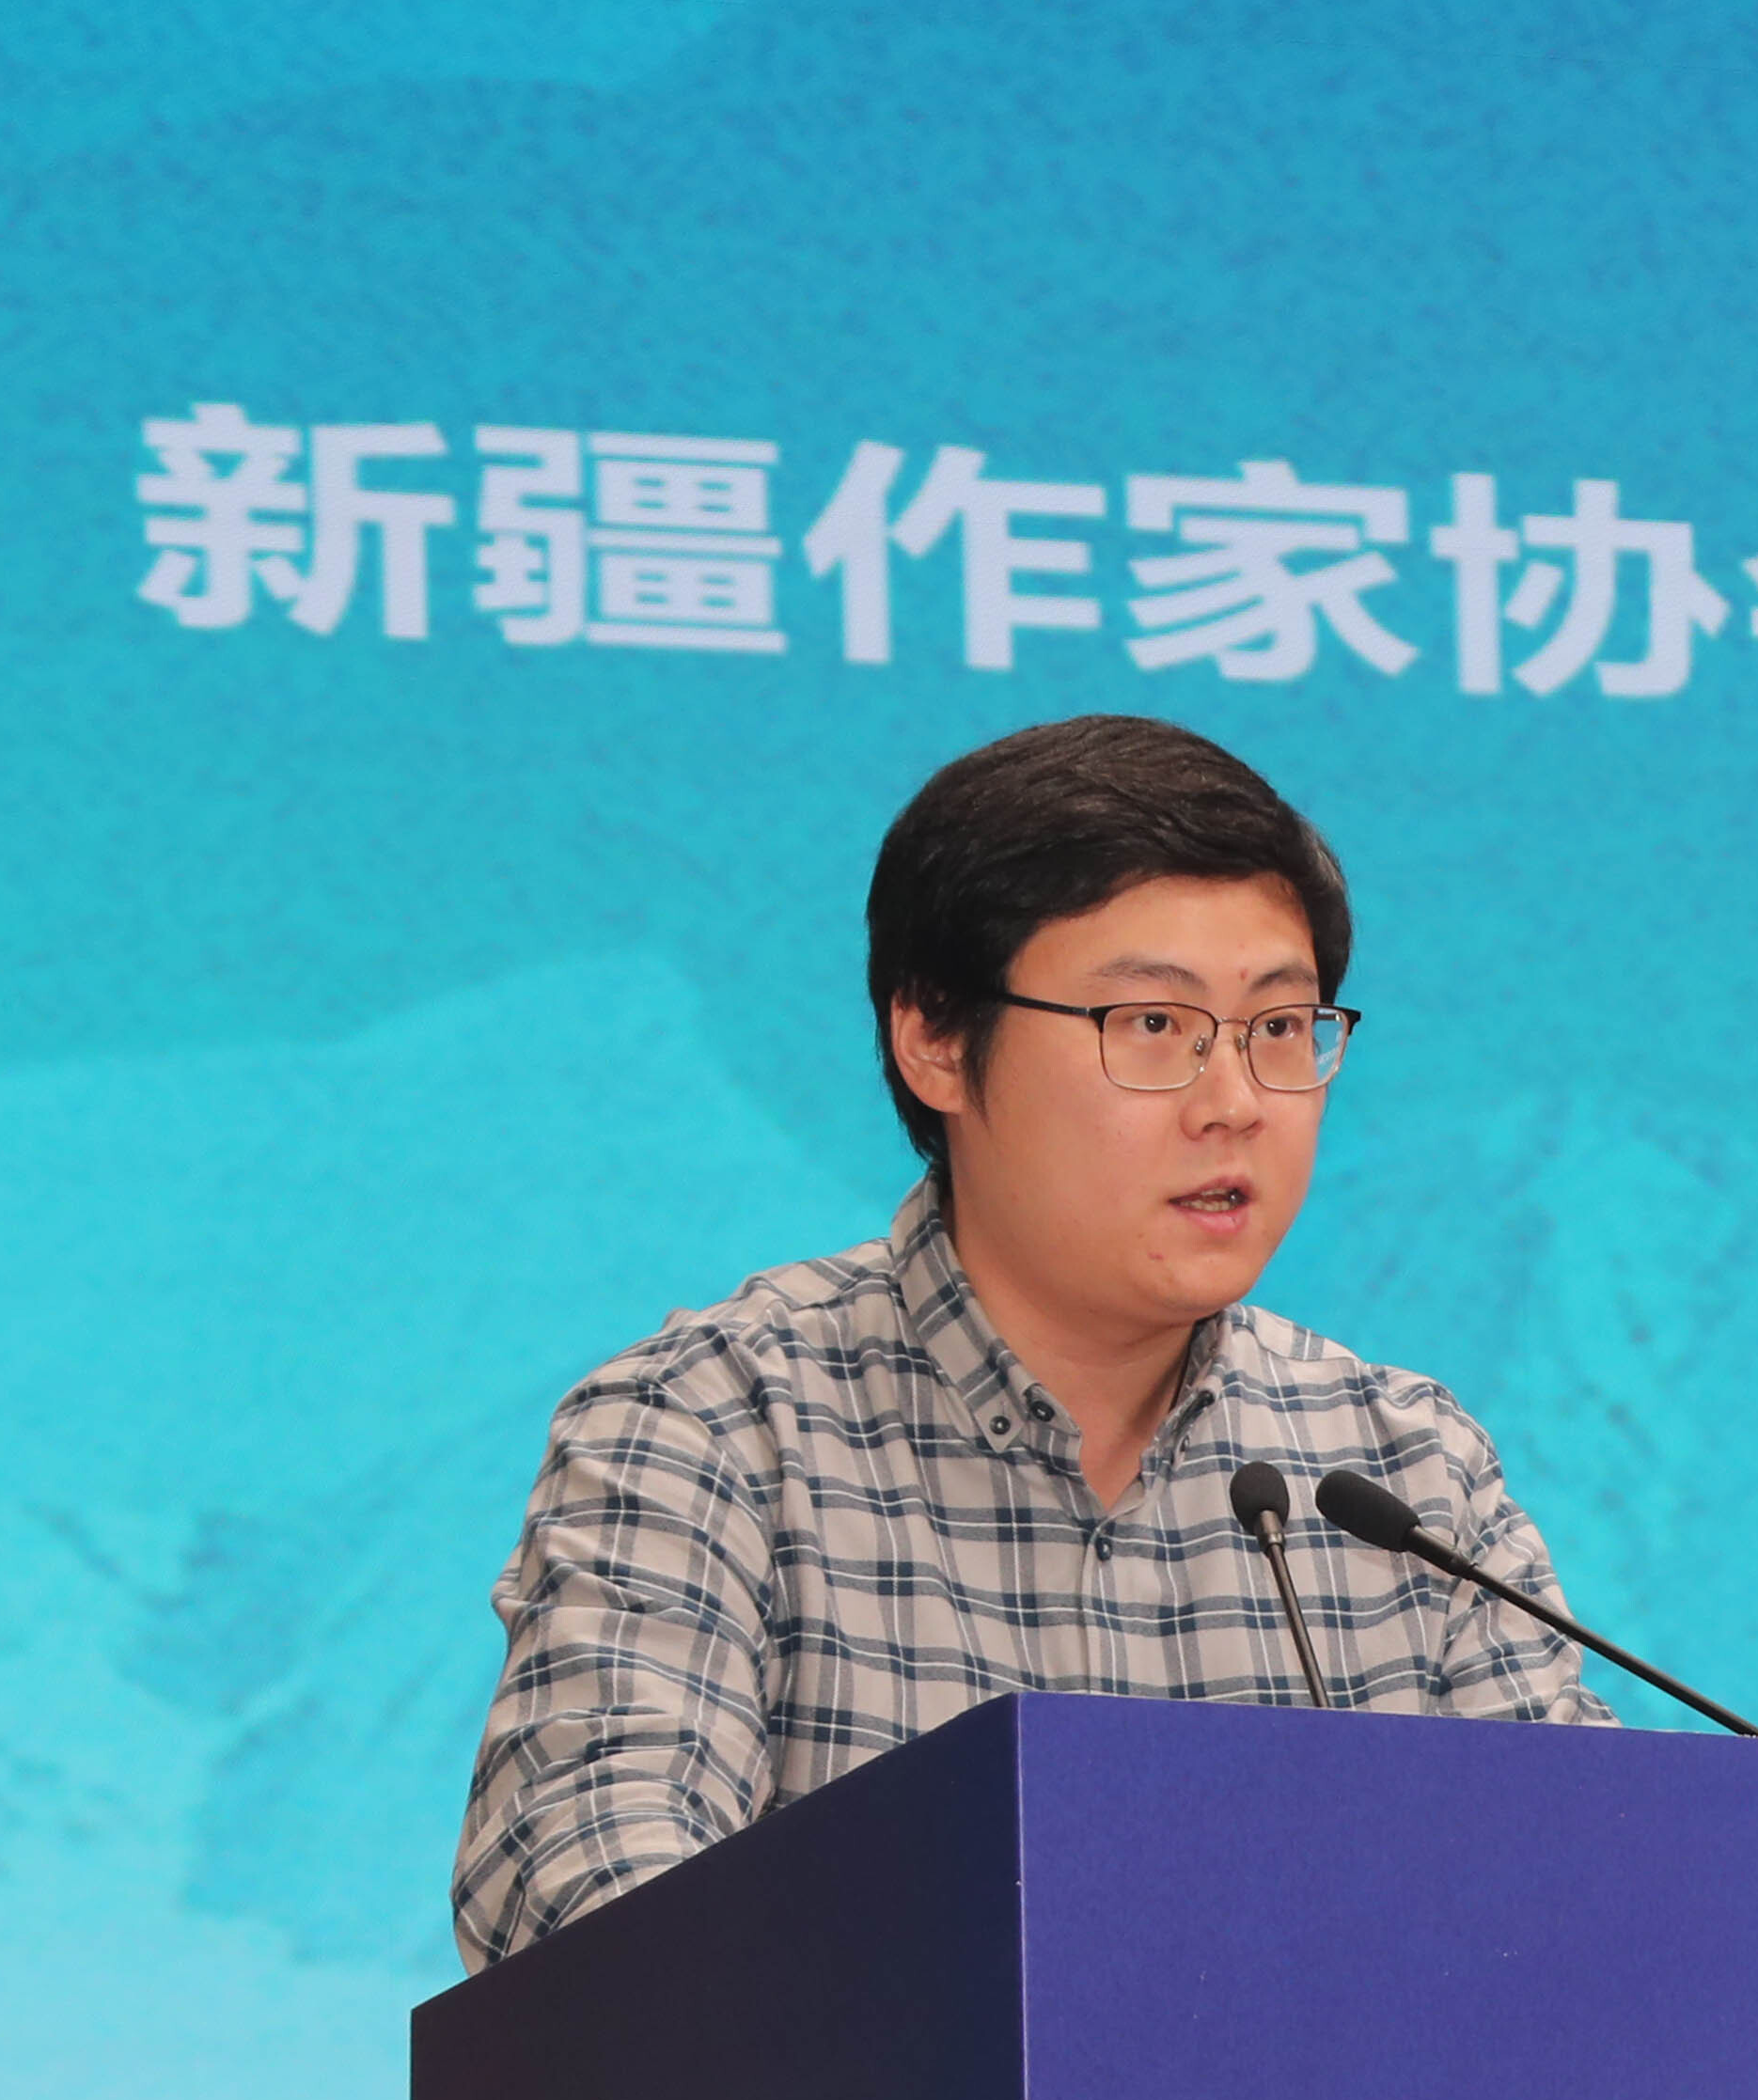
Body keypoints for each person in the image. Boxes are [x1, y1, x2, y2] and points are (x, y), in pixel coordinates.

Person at [451, 715, 1608, 1967]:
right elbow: (592, 1918)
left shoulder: (1400, 1469)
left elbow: (1596, 1919)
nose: (1234, 1104)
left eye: (1279, 1029)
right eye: (1153, 1025)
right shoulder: (719, 1426)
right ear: (937, 1040)